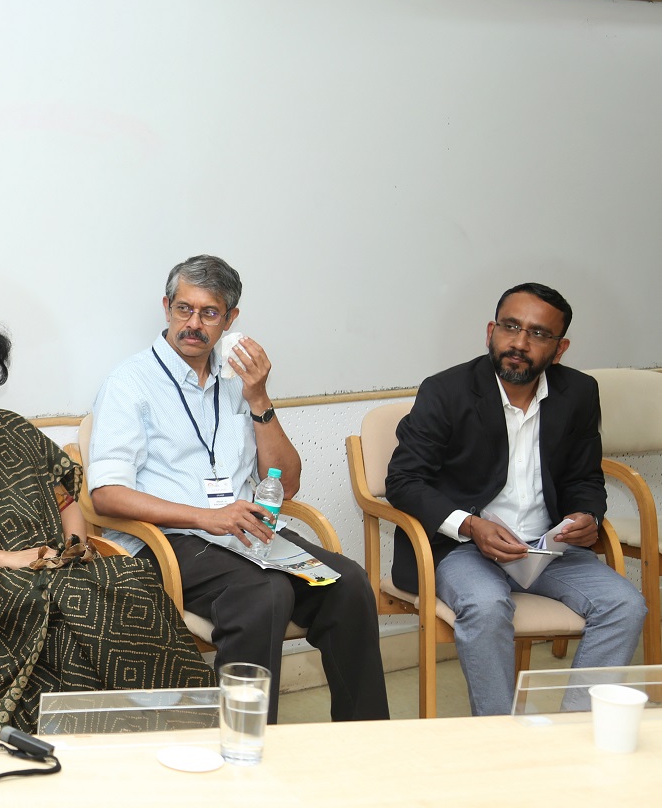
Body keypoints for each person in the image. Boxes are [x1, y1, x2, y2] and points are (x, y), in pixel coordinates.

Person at [0, 300, 215, 734]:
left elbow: (67, 504)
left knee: (130, 579)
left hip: (44, 570)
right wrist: (9, 559)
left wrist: (73, 548)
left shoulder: (12, 428)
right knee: (65, 613)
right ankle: (88, 750)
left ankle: (185, 727)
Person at [87, 254, 388, 723]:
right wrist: (208, 517)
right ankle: (243, 747)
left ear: (230, 319)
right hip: (169, 538)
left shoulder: (240, 381)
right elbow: (105, 494)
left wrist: (260, 399)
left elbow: (287, 483)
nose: (193, 324)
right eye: (184, 309)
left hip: (244, 533)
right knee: (264, 594)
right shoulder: (130, 383)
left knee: (348, 583)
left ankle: (364, 739)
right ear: (166, 307)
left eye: (210, 313)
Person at [384, 283, 646, 716]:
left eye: (538, 334)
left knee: (625, 605)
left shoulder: (577, 393)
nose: (520, 344)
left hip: (548, 549)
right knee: (486, 607)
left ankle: (576, 728)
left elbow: (585, 476)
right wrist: (469, 525)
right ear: (491, 331)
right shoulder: (446, 391)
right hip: (465, 549)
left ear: (559, 349)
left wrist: (587, 515)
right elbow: (404, 481)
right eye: (511, 327)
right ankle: (500, 733)